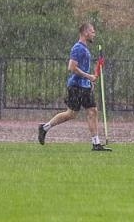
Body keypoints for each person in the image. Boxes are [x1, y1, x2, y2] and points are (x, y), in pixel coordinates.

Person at [37, 22, 111, 151]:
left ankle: (96, 143)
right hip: (76, 86)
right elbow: (71, 67)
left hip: (85, 86)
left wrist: (90, 80)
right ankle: (44, 128)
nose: (94, 34)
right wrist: (88, 77)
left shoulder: (85, 49)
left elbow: (83, 68)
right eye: (92, 31)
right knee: (71, 114)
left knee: (92, 111)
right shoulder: (77, 48)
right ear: (85, 32)